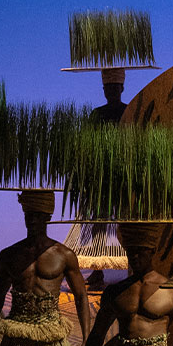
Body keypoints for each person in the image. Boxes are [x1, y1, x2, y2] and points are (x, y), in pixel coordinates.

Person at [0, 190, 90, 346]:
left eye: (38, 216)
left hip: (51, 329)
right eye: (29, 215)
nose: (32, 221)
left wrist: (87, 337)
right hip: (17, 330)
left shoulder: (64, 255)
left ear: (47, 217)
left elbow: (81, 296)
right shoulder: (10, 255)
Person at [68, 67, 131, 291]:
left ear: (122, 88)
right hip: (101, 177)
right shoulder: (96, 115)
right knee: (99, 222)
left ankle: (132, 266)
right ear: (103, 89)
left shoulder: (128, 112)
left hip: (123, 175)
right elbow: (86, 145)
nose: (110, 91)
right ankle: (97, 270)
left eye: (114, 87)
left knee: (127, 220)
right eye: (107, 88)